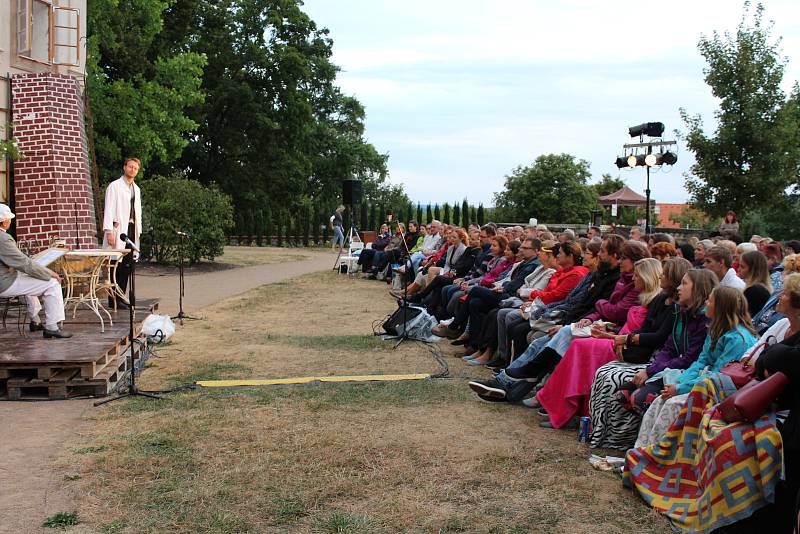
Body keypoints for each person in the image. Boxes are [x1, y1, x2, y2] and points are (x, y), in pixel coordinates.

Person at [624, 276, 800, 533]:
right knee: (663, 399)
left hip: (771, 407)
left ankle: (701, 489)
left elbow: (753, 364)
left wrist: (769, 363)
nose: (779, 296)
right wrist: (683, 382)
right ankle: (654, 457)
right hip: (747, 392)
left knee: (701, 421)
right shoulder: (779, 325)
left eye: (785, 294)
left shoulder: (736, 336)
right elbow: (749, 362)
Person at [532, 257, 686, 429]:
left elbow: (658, 337)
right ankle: (559, 404)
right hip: (629, 343)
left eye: (664, 274)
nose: (660, 277)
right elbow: (644, 328)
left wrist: (621, 338)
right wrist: (617, 337)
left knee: (579, 344)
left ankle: (559, 403)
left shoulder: (672, 306)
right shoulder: (660, 299)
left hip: (644, 351)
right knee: (577, 344)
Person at [588, 268, 717, 449]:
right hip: (667, 367)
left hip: (685, 372)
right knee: (618, 388)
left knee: (639, 397)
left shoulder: (704, 320)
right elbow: (669, 348)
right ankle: (608, 436)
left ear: (699, 289)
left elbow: (690, 358)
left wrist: (651, 370)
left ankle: (644, 447)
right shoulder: (681, 312)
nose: (679, 287)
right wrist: (652, 369)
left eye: (685, 283)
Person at [633, 286, 757, 447]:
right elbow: (701, 361)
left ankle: (659, 457)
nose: (706, 303)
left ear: (720, 307)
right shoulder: (715, 330)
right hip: (702, 382)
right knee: (660, 401)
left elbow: (718, 375)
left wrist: (680, 389)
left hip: (720, 391)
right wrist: (679, 384)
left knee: (673, 405)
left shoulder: (737, 339)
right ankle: (641, 451)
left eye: (710, 300)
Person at [0, 204, 72, 338]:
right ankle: (52, 327)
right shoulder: (3, 238)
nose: (10, 221)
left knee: (30, 279)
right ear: (4, 222)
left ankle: (35, 320)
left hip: (6, 276)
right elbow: (24, 263)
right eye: (9, 219)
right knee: (52, 283)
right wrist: (49, 272)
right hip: (4, 282)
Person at [103, 157, 142, 307]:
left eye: (136, 168)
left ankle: (120, 297)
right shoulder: (115, 186)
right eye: (130, 167)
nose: (133, 170)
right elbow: (109, 209)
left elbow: (136, 211)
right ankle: (113, 299)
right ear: (124, 167)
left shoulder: (136, 189)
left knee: (127, 264)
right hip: (118, 229)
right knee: (115, 265)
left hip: (131, 228)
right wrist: (109, 231)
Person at [739, 250, 773, 317]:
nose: (739, 269)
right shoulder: (760, 287)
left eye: (742, 267)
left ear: (753, 269)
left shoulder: (754, 291)